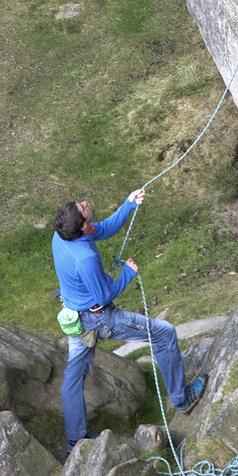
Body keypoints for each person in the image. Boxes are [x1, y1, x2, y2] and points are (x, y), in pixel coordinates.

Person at [52, 187, 207, 451]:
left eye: (80, 203)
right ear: (82, 224)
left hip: (75, 318)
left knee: (74, 377)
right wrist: (127, 273)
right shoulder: (85, 258)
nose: (85, 202)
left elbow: (102, 229)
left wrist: (128, 204)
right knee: (164, 333)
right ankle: (183, 399)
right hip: (99, 318)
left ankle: (75, 440)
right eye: (82, 207)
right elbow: (103, 296)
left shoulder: (62, 234)